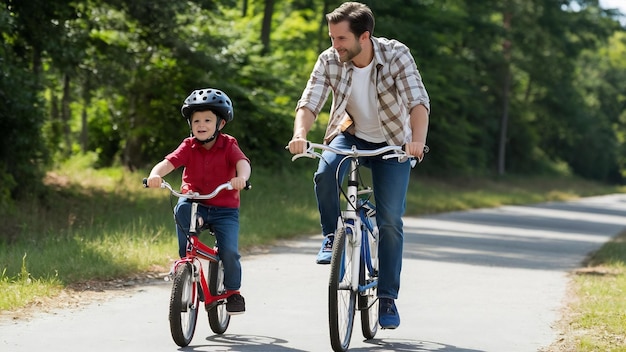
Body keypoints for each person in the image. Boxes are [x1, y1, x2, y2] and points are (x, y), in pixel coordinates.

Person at [287, 2, 429, 329]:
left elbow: (418, 101)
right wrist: (300, 133)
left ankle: (388, 297)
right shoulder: (329, 60)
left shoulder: (396, 56)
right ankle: (329, 237)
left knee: (390, 219)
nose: (334, 45)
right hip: (351, 133)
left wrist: (417, 141)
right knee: (324, 172)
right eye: (332, 38)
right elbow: (310, 101)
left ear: (364, 37)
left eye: (340, 39)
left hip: (394, 142)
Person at [146, 87, 251, 315]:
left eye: (207, 120)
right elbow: (168, 162)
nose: (201, 125)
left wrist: (241, 178)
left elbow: (243, 163)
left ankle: (233, 292)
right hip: (195, 202)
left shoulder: (228, 144)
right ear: (191, 125)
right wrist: (156, 175)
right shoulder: (188, 146)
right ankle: (186, 264)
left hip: (225, 209)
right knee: (181, 209)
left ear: (220, 124)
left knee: (230, 252)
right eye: (196, 121)